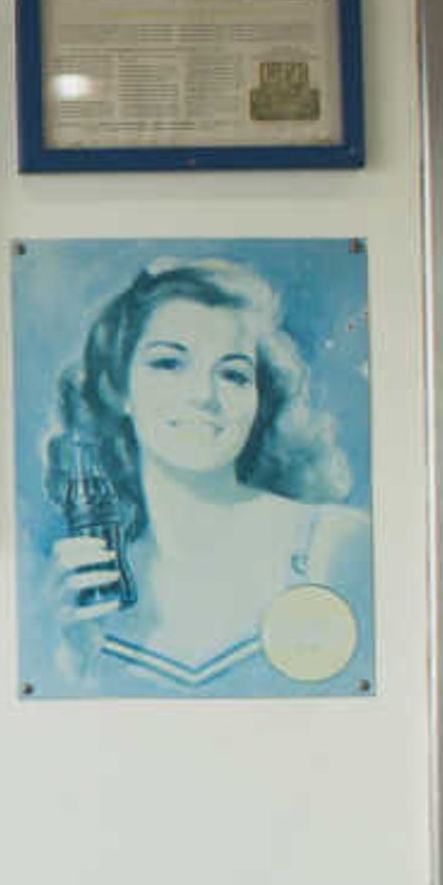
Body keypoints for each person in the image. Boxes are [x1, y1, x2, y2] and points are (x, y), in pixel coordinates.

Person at [39, 256, 371, 691]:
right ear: (118, 388)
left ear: (260, 400)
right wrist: (72, 653)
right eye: (168, 364)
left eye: (232, 374)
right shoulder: (95, 584)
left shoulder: (333, 543)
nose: (202, 396)